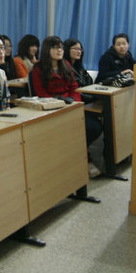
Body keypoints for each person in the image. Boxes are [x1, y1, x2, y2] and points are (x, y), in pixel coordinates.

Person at [31, 36, 103, 177]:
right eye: (55, 48)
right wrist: (59, 105)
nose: (59, 51)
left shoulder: (66, 65)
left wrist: (74, 103)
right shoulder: (38, 69)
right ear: (47, 50)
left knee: (94, 126)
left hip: (70, 105)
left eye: (61, 48)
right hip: (52, 109)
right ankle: (83, 160)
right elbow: (41, 94)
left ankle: (81, 155)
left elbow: (73, 87)